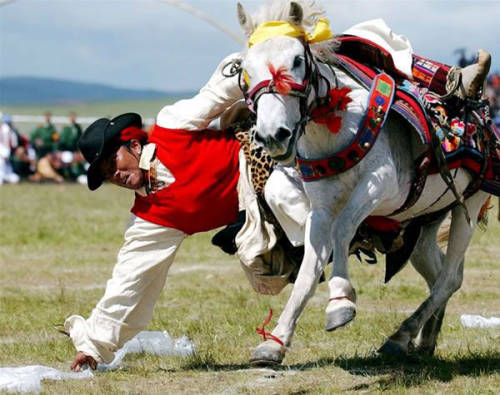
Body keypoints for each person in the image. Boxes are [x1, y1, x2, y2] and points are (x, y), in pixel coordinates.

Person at [64, 53, 309, 371]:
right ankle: (313, 249)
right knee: (262, 272)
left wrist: (262, 63)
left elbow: (217, 93)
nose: (115, 175)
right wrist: (93, 347)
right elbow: (128, 282)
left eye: (113, 163)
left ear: (134, 146)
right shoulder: (149, 218)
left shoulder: (171, 125)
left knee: (285, 198)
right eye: (107, 175)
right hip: (251, 215)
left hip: (269, 157)